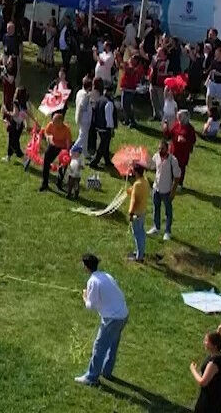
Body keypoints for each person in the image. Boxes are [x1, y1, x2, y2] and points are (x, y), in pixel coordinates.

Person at [76, 253, 128, 387]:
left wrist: (85, 297)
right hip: (123, 314)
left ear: (86, 267)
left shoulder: (92, 281)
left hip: (112, 318)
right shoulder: (106, 275)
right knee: (112, 344)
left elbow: (91, 306)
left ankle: (91, 377)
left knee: (99, 347)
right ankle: (106, 371)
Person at [190, 325, 221, 413]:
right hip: (216, 395)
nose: (204, 342)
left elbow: (203, 382)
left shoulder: (213, 364)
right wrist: (218, 331)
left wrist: (193, 369)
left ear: (214, 346)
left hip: (210, 400)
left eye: (206, 341)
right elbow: (217, 340)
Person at [149, 139, 180, 240]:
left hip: (167, 190)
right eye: (159, 148)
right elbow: (151, 166)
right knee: (156, 208)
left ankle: (167, 231)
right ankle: (156, 227)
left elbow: (177, 177)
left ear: (167, 149)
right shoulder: (156, 156)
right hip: (156, 188)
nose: (160, 151)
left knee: (168, 212)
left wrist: (173, 191)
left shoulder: (173, 160)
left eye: (162, 149)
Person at [38, 109, 74, 192]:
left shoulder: (66, 129)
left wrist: (67, 154)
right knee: (46, 160)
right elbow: (46, 132)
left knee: (63, 164)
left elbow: (68, 142)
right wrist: (48, 137)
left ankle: (59, 183)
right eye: (53, 120)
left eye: (55, 121)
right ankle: (45, 183)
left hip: (63, 147)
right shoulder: (51, 124)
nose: (52, 122)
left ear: (60, 122)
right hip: (53, 144)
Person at [125, 164, 150, 261]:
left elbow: (135, 200)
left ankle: (139, 257)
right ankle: (140, 252)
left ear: (136, 172)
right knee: (141, 233)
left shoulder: (137, 184)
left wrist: (131, 213)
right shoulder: (145, 181)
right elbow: (136, 192)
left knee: (137, 235)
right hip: (142, 211)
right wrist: (129, 190)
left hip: (136, 213)